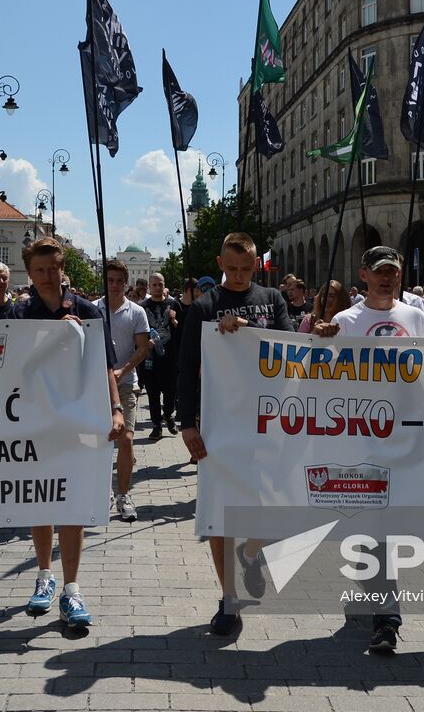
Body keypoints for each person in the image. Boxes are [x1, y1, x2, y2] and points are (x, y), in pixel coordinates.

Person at [313, 247, 424, 652]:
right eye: (380, 271)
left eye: (394, 272)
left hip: (407, 437)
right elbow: (321, 376)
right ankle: (386, 617)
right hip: (360, 439)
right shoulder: (345, 321)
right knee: (373, 526)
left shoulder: (415, 317)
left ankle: (380, 603)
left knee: (384, 528)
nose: (387, 278)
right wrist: (321, 343)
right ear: (363, 275)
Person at [0, 237, 122, 629]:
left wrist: (116, 409)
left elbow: (104, 366)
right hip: (32, 422)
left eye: (53, 269)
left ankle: (72, 588)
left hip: (76, 422)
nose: (47, 276)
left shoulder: (86, 311)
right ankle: (44, 576)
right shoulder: (18, 313)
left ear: (62, 269)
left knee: (73, 505)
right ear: (29, 273)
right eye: (39, 270)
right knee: (40, 501)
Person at [178, 232, 294, 636]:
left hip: (269, 422)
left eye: (247, 268)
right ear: (220, 264)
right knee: (220, 513)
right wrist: (187, 423)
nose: (240, 275)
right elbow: (186, 366)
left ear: (256, 264)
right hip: (220, 424)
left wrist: (248, 333)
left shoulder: (273, 299)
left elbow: (289, 348)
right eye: (232, 268)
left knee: (271, 508)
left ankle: (251, 551)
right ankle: (228, 599)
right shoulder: (204, 307)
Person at [96, 260, 150, 521]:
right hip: (97, 384)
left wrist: (122, 370)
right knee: (100, 440)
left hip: (127, 383)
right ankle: (101, 490)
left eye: (119, 281)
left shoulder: (136, 312)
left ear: (126, 283)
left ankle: (124, 494)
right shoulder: (93, 309)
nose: (115, 286)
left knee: (126, 438)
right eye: (110, 280)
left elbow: (143, 348)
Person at [140, 272, 181, 439]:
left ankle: (169, 416)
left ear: (164, 286)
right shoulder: (143, 307)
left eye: (160, 284)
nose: (157, 287)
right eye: (154, 285)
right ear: (150, 287)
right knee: (153, 393)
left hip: (170, 358)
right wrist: (145, 343)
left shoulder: (174, 304)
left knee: (170, 392)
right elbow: (138, 332)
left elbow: (183, 330)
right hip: (151, 359)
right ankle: (157, 425)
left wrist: (175, 321)